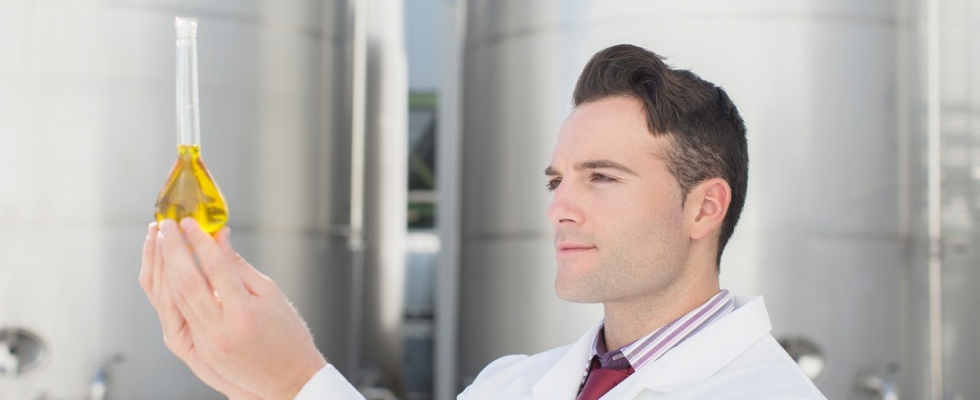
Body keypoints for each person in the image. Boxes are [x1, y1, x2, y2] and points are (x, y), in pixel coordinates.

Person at [139, 44, 827, 400]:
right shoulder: (513, 385)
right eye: (556, 180)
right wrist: (248, 377)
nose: (559, 207)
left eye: (601, 177)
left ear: (704, 207)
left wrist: (296, 378)